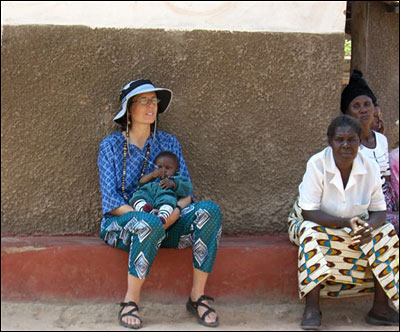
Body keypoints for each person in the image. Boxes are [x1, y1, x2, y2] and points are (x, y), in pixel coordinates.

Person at [98, 79, 222, 329]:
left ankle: (197, 297)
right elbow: (111, 201)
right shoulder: (110, 147)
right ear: (128, 109)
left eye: (153, 101)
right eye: (143, 101)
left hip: (168, 220)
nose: (150, 106)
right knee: (147, 223)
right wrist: (149, 217)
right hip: (122, 225)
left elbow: (185, 191)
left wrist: (175, 213)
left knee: (210, 211)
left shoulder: (169, 143)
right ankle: (131, 300)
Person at [288, 115, 399, 330]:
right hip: (312, 220)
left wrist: (369, 227)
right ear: (330, 142)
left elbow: (379, 212)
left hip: (354, 224)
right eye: (340, 139)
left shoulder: (370, 167)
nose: (346, 145)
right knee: (309, 232)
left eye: (352, 139)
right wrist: (347, 223)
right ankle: (312, 308)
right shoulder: (317, 164)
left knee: (386, 233)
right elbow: (308, 212)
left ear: (359, 141)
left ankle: (380, 310)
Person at [341, 70, 399, 234]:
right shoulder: (348, 145)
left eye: (367, 104)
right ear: (347, 113)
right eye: (356, 106)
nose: (363, 110)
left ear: (375, 108)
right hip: (366, 207)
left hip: (386, 202)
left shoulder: (381, 140)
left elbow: (388, 179)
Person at [130, 151, 193, 225]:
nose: (163, 170)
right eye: (159, 167)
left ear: (176, 170)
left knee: (169, 200)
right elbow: (141, 183)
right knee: (137, 195)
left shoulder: (176, 178)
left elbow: (188, 188)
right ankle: (144, 209)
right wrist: (151, 175)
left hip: (164, 198)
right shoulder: (153, 177)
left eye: (168, 168)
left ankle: (163, 215)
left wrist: (174, 184)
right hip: (149, 196)